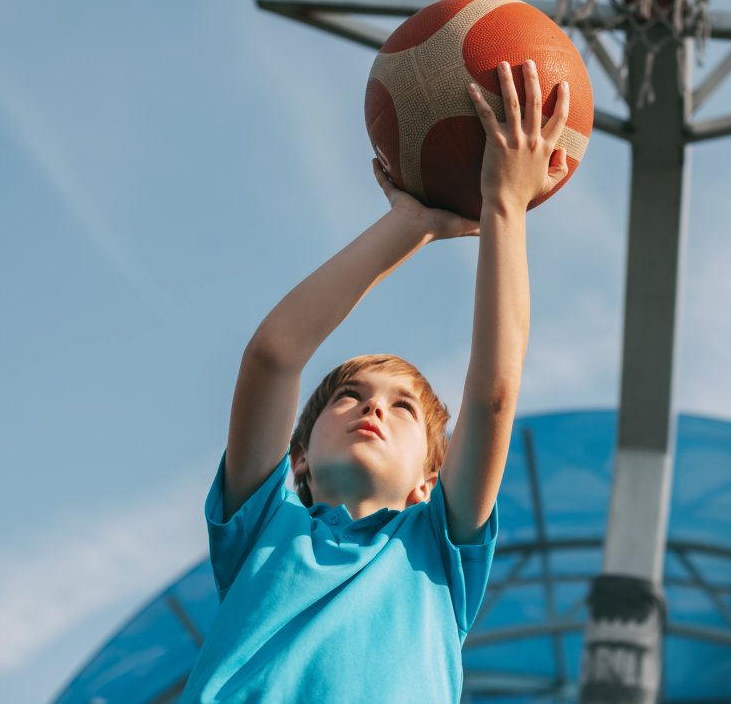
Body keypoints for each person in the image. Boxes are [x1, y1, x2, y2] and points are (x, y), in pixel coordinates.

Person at [178, 60, 571, 703]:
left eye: (403, 408)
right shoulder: (262, 531)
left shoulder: (438, 553)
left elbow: (493, 393)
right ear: (299, 457)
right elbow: (274, 356)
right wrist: (406, 226)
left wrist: (506, 202)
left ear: (429, 481)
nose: (373, 409)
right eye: (348, 396)